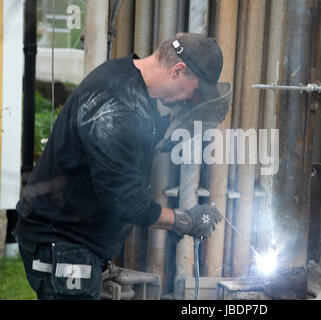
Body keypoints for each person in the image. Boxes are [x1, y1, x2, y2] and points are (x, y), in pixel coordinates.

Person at [14, 33, 224, 300]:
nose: (193, 100)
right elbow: (126, 201)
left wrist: (169, 125)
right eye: (196, 92)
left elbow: (128, 144)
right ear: (178, 71)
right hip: (61, 242)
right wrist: (184, 221)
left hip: (70, 238)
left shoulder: (127, 79)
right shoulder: (117, 107)